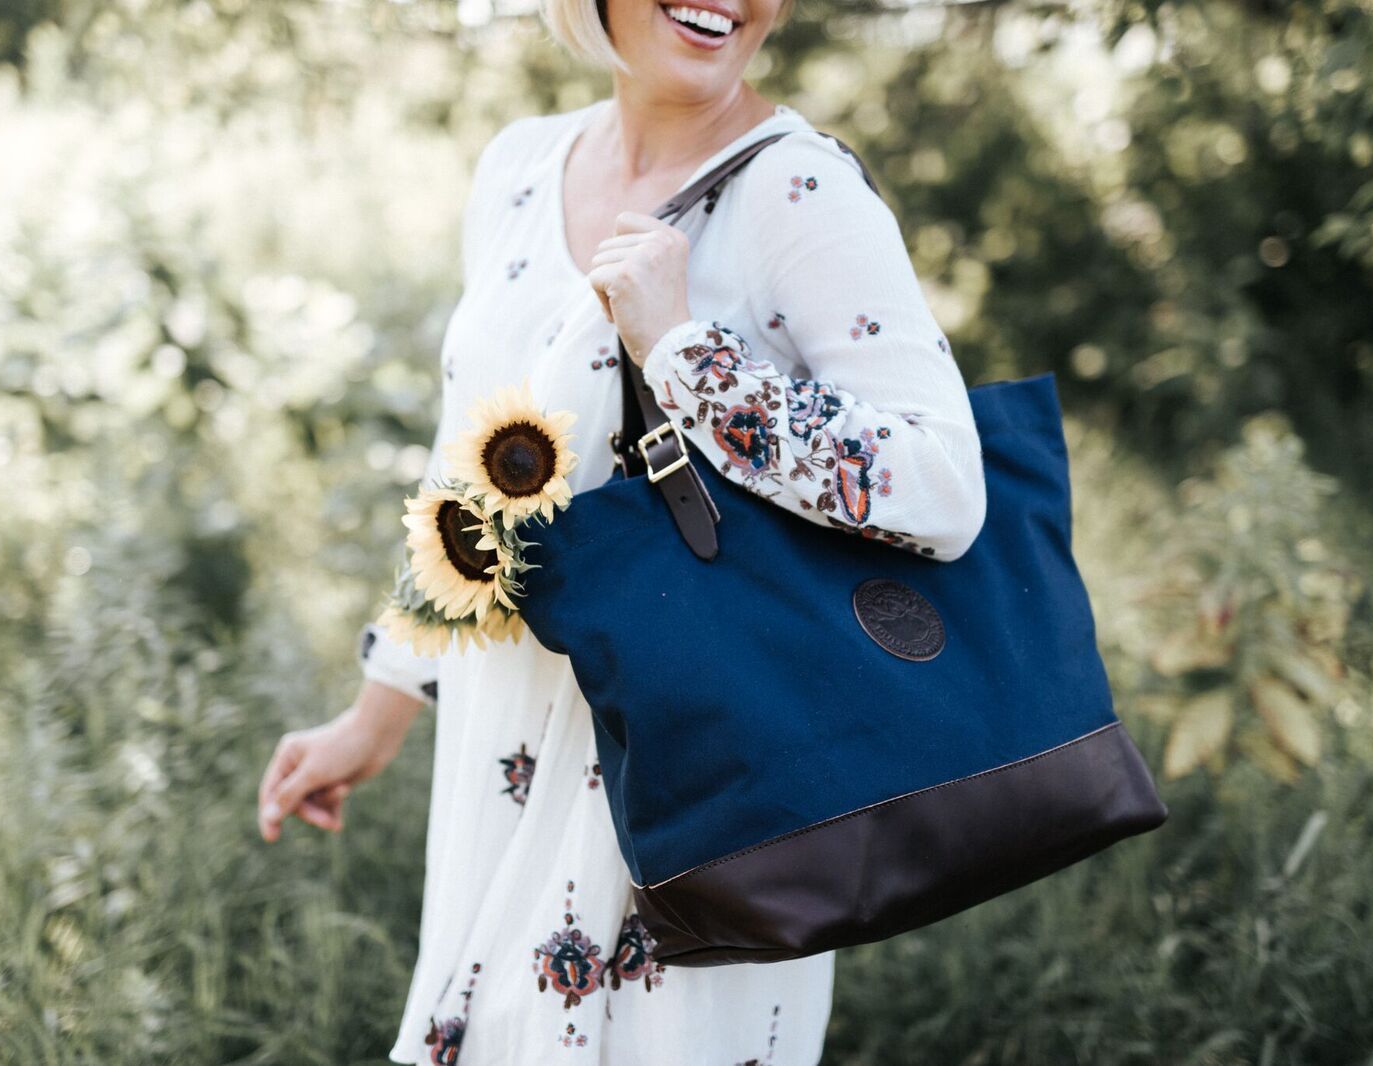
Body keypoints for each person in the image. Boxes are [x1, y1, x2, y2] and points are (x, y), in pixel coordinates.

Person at [256, 0, 987, 1059]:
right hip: (500, 756)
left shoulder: (799, 191)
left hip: (690, 797)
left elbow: (941, 484)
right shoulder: (520, 168)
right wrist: (377, 711)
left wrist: (683, 351)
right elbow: (469, 471)